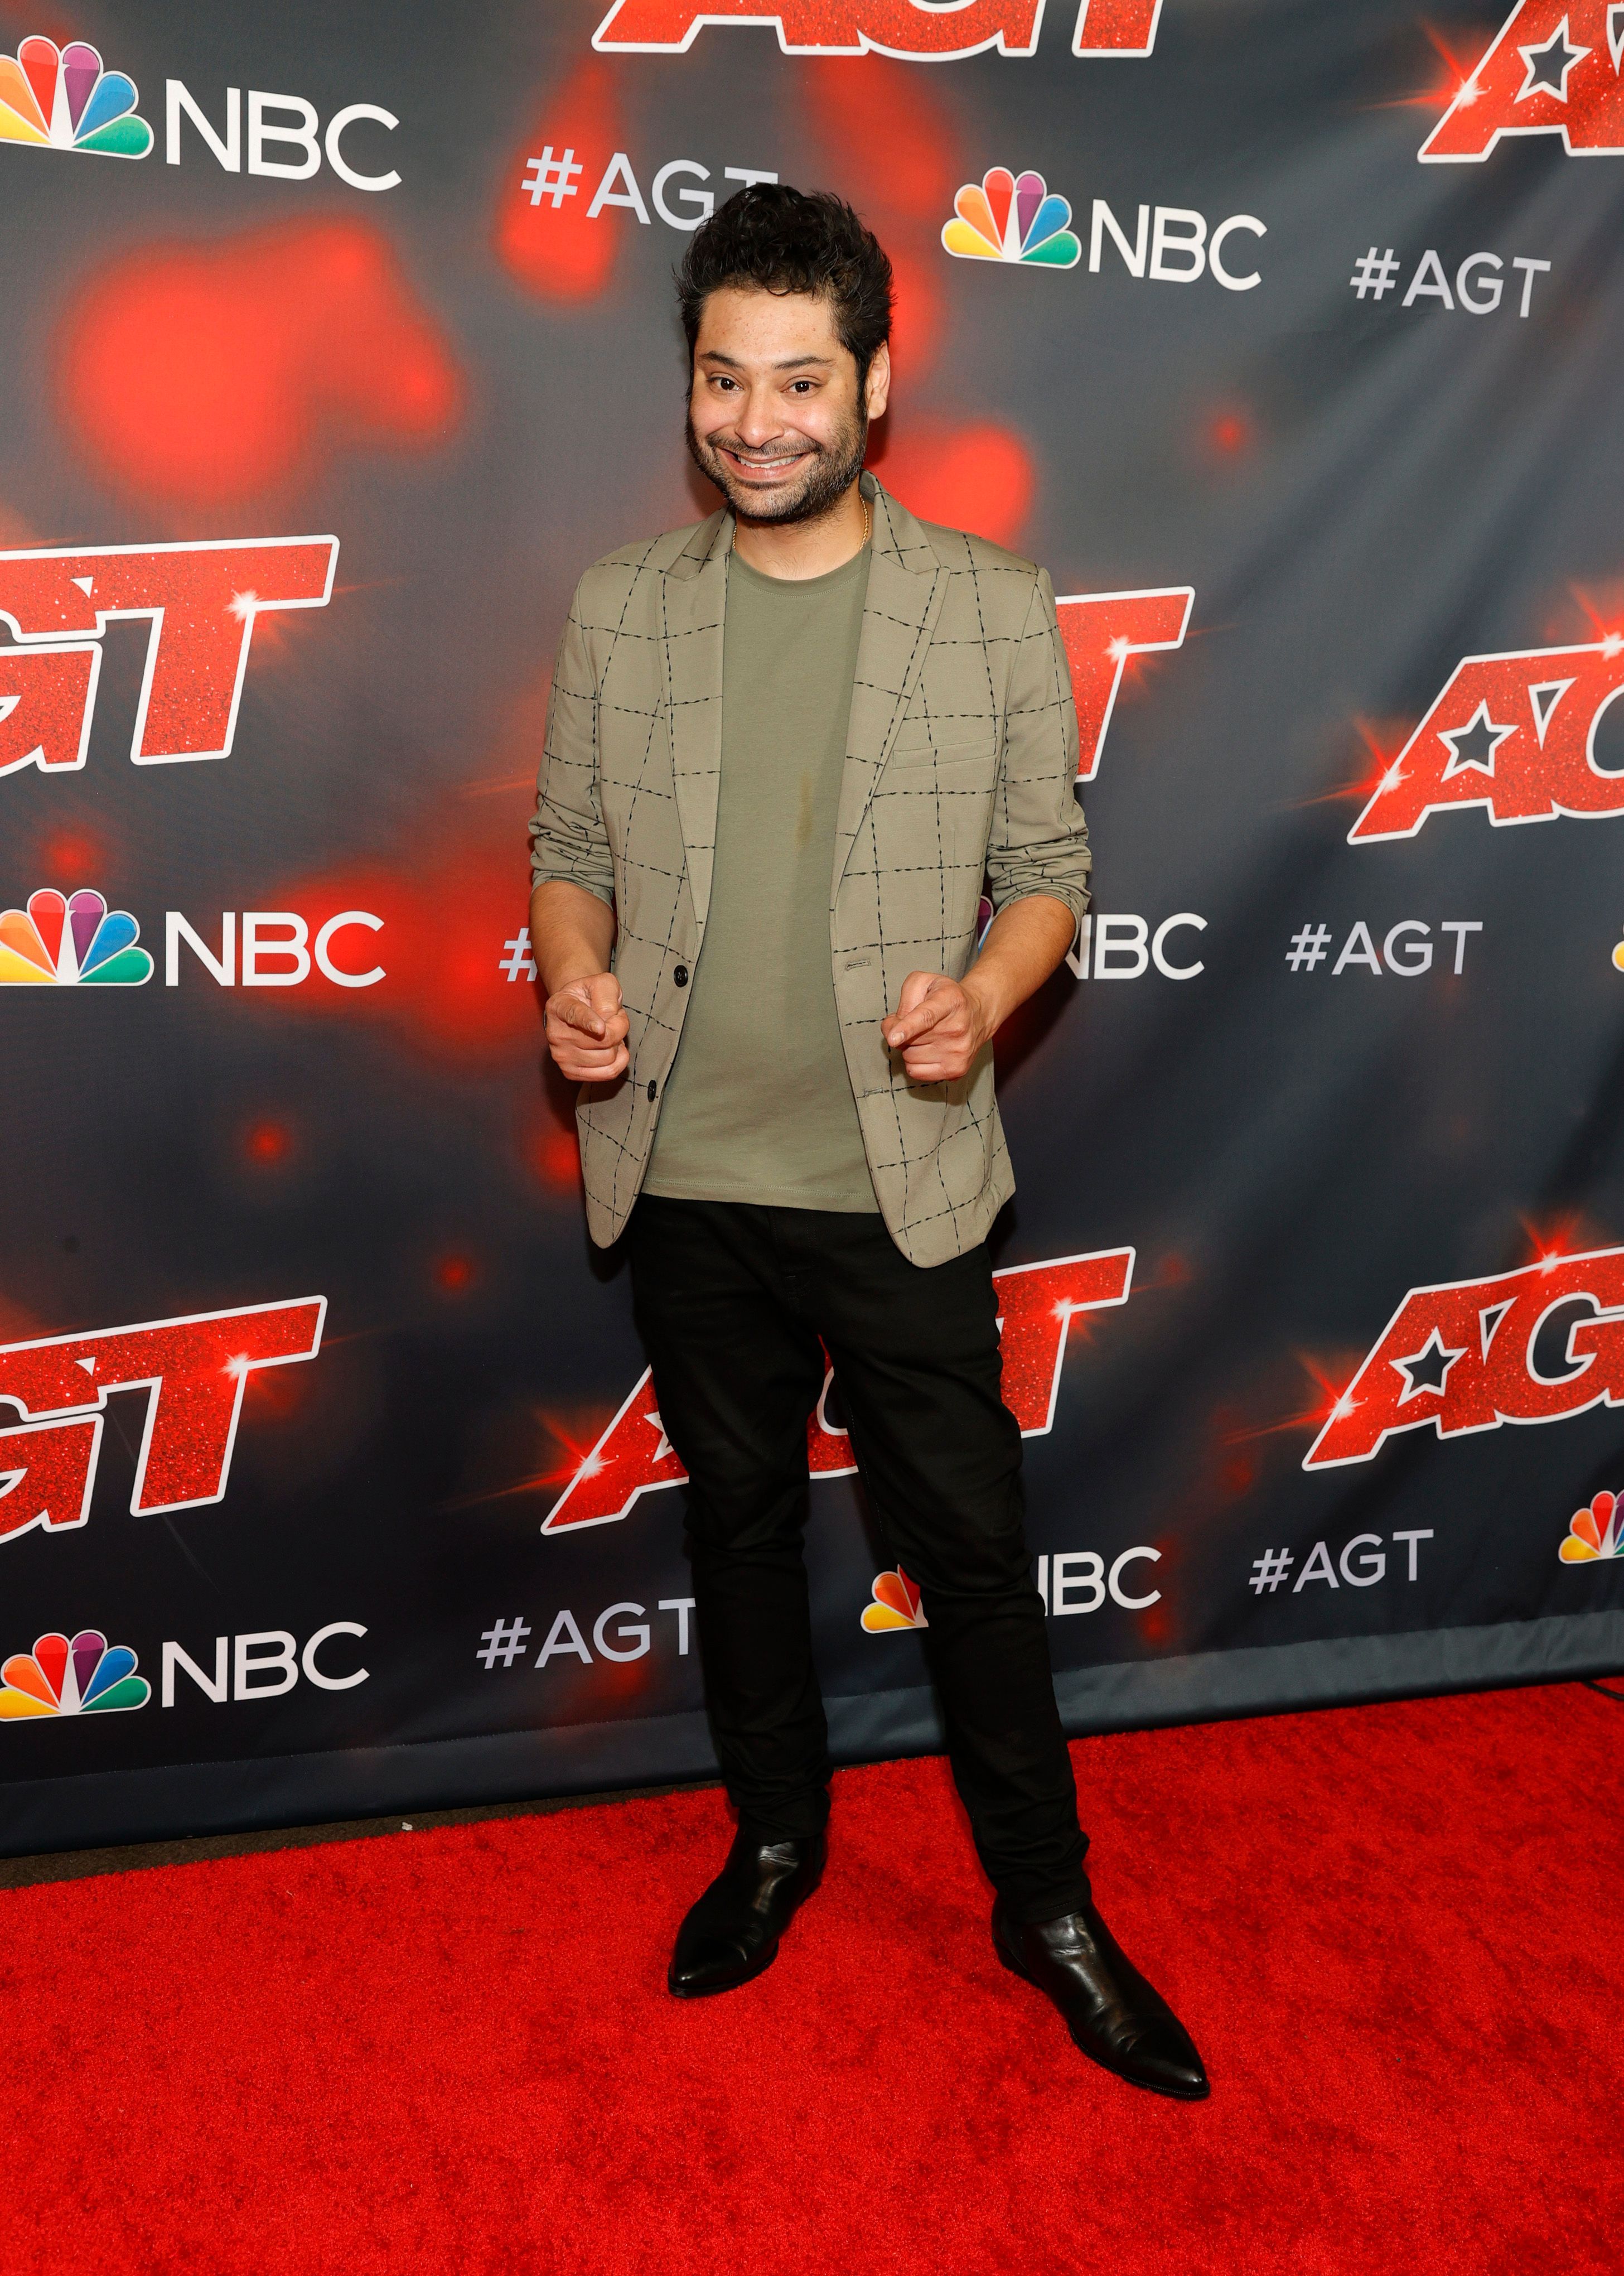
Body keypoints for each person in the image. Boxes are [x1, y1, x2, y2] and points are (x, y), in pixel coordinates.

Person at [528, 184, 1207, 2099]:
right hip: (680, 1182)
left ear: (877, 384)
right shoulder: (619, 606)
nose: (758, 421)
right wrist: (573, 982)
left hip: (898, 1188)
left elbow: (1052, 878)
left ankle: (1048, 1906)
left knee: (974, 1560)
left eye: (800, 381)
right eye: (724, 381)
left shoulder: (988, 604)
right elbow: (566, 857)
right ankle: (774, 1842)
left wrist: (982, 1005)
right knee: (736, 1536)